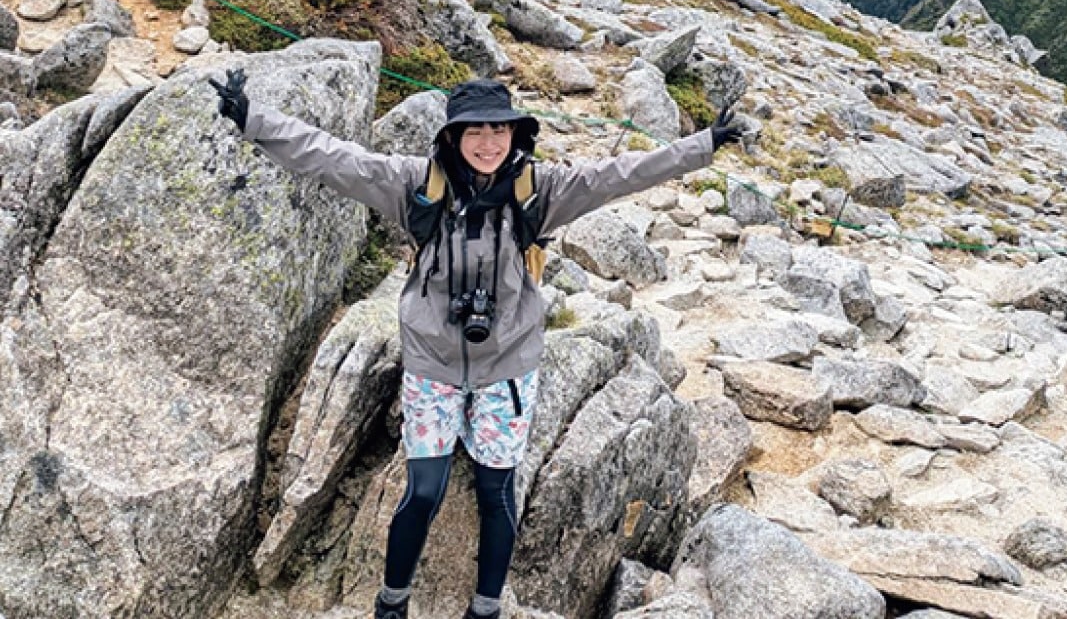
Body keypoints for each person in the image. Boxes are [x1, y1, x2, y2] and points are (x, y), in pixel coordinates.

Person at [208, 70, 744, 619]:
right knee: (424, 491)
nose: (489, 144)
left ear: (516, 134)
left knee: (496, 494)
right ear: (451, 137)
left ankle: (484, 609)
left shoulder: (540, 190)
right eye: (474, 132)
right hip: (432, 364)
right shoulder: (416, 185)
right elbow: (331, 158)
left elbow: (621, 174)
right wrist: (252, 117)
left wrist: (702, 145)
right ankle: (391, 604)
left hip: (507, 367)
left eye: (499, 131)